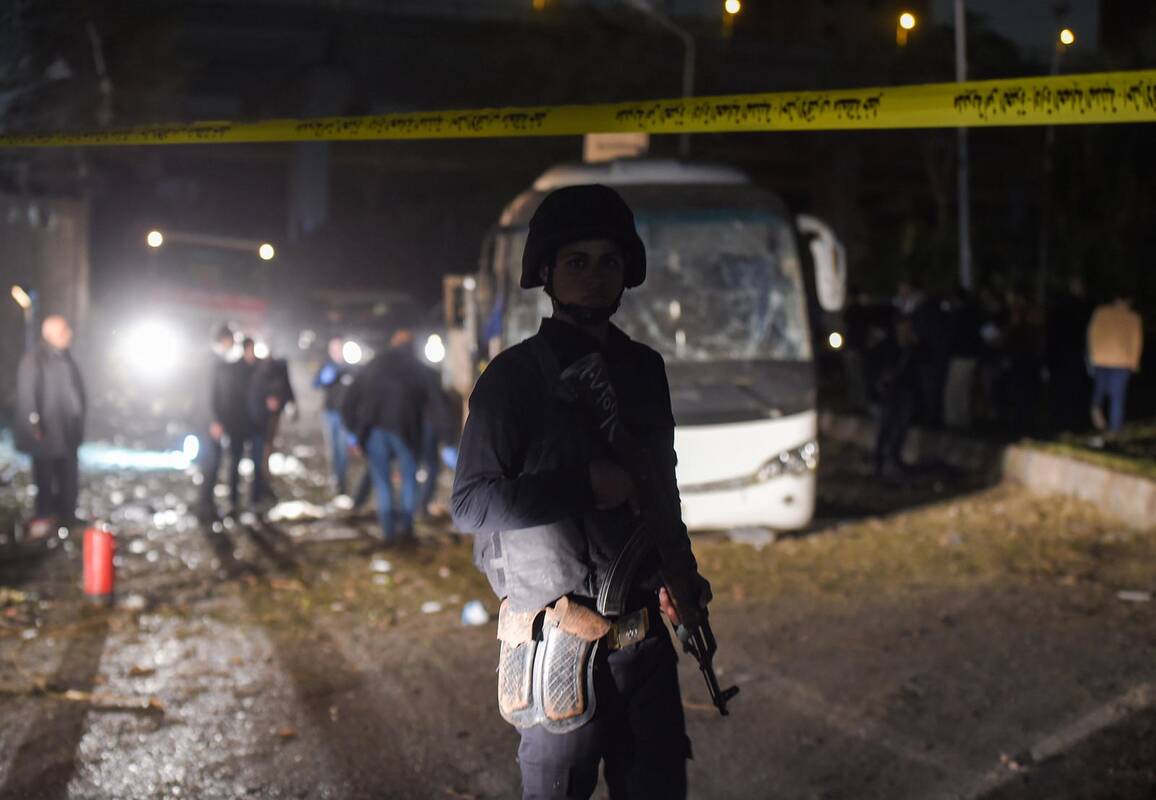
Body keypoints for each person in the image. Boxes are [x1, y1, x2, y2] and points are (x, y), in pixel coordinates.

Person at [451, 184, 711, 800]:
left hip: (645, 644)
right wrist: (584, 485)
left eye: (609, 262)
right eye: (577, 262)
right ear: (547, 272)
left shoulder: (644, 370)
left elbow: (661, 487)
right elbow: (470, 504)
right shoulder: (512, 378)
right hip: (560, 645)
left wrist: (680, 574)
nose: (595, 278)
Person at [343, 329, 449, 542]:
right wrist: (447, 438)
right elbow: (436, 404)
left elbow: (349, 400)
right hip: (406, 432)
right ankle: (406, 529)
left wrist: (354, 431)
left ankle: (388, 531)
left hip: (374, 430)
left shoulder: (374, 365)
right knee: (409, 478)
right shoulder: (418, 368)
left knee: (382, 481)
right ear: (412, 346)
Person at [15, 315, 86, 529]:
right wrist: (34, 425)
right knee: (45, 476)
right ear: (50, 334)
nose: (69, 334)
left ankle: (67, 515)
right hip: (46, 432)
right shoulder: (34, 359)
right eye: (64, 330)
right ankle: (45, 515)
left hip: (67, 430)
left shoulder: (66, 357)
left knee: (68, 475)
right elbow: (27, 395)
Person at [212, 337, 271, 515]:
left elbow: (269, 391)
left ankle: (255, 500)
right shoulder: (233, 370)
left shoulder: (262, 369)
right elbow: (226, 397)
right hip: (237, 425)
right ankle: (233, 500)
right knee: (235, 463)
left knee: (257, 464)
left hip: (257, 425)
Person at [194, 323, 236, 521]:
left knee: (213, 464)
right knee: (210, 465)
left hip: (214, 422)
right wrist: (215, 421)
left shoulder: (215, 360)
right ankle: (205, 509)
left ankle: (207, 506)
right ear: (224, 339)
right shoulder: (213, 362)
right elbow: (209, 394)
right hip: (211, 424)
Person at [1087, 292, 1143, 433]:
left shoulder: (1101, 312)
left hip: (1101, 358)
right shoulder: (1133, 317)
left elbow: (1092, 333)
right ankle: (1115, 428)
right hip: (1122, 361)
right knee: (1117, 396)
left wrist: (1093, 355)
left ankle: (1096, 408)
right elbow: (1136, 341)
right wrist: (1134, 362)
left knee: (1100, 390)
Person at [313, 337, 358, 497]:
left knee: (342, 448)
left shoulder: (350, 368)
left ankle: (342, 481)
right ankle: (335, 478)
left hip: (345, 415)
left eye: (339, 348)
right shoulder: (326, 365)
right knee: (332, 448)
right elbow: (315, 384)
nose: (336, 351)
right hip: (329, 412)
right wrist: (323, 377)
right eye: (333, 348)